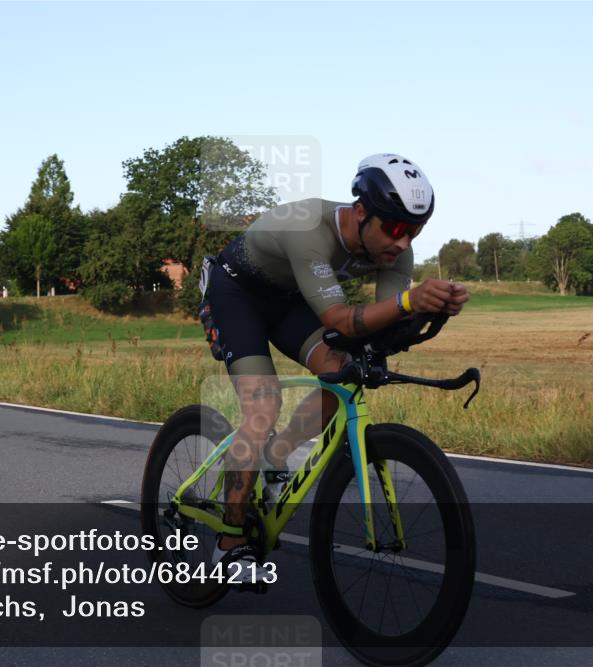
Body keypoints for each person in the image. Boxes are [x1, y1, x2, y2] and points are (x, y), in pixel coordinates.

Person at [200, 153, 470, 579]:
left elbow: (386, 325)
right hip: (237, 295)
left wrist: (429, 310)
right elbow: (341, 320)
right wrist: (408, 301)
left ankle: (276, 454)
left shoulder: (395, 249)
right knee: (263, 406)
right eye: (394, 229)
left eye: (414, 231)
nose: (403, 243)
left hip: (289, 302)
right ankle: (229, 542)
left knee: (342, 373)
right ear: (361, 212)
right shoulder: (310, 229)